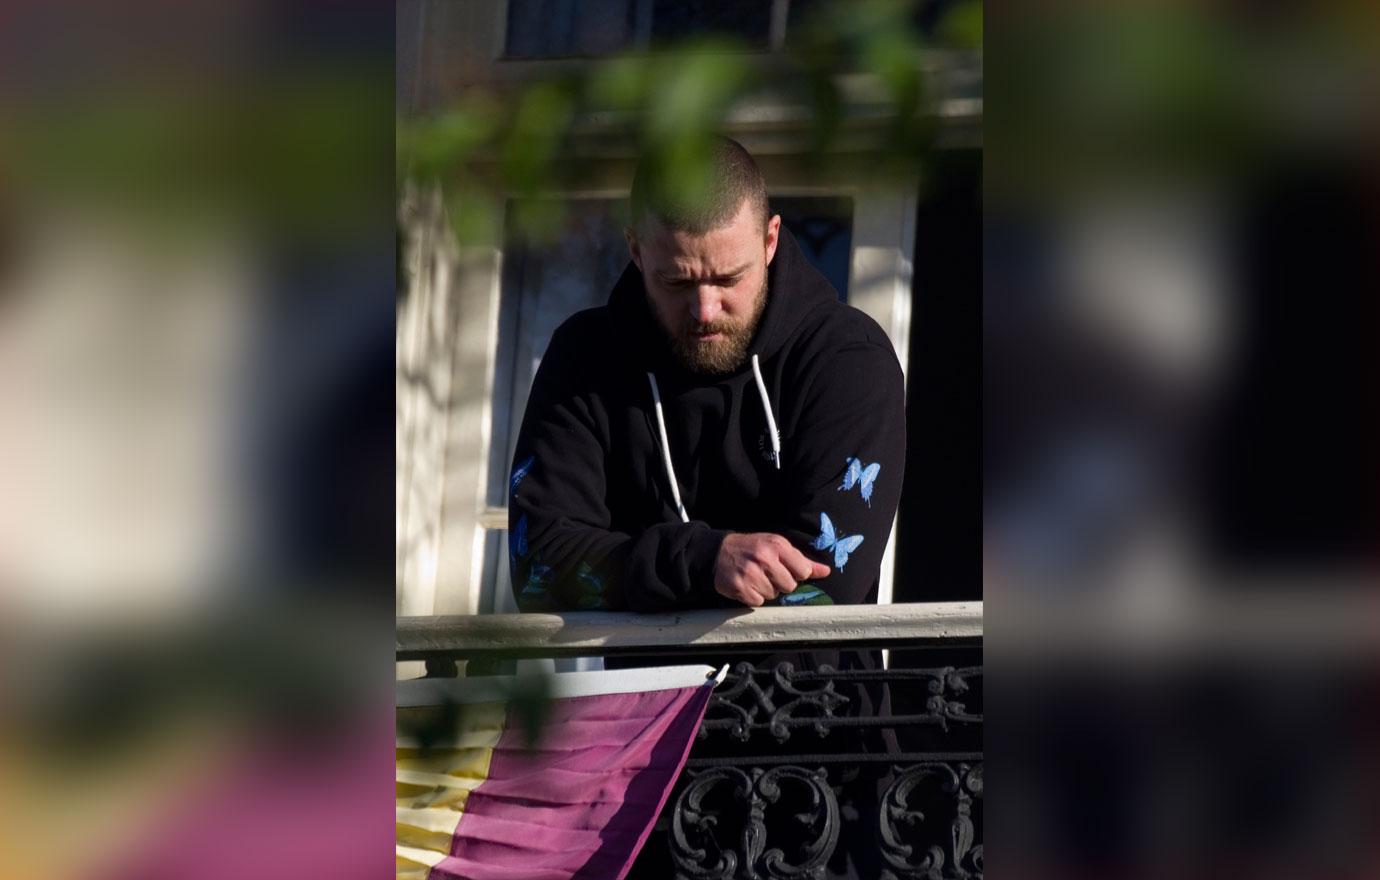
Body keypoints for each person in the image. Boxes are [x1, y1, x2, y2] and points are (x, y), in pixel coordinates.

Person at [506, 136, 905, 616]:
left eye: (728, 279)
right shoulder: (586, 358)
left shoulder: (846, 357)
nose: (704, 310)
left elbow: (822, 582)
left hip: (811, 693)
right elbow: (538, 572)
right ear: (635, 250)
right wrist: (703, 561)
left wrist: (642, 569)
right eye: (676, 281)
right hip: (646, 693)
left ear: (770, 240)